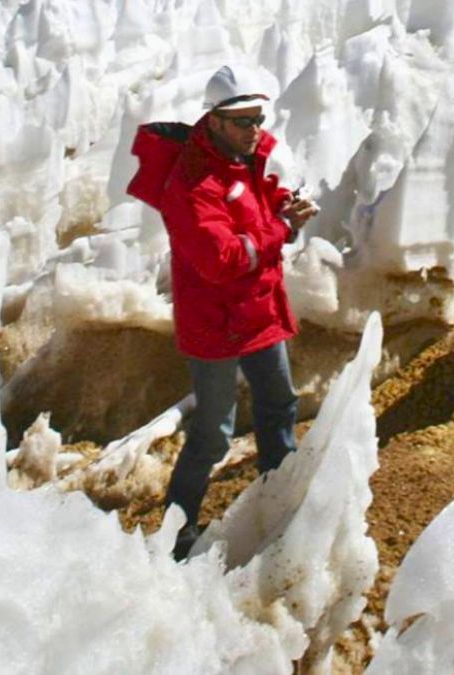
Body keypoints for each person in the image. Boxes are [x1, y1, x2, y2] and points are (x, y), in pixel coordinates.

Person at [126, 65, 318, 560]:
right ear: (213, 121)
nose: (255, 129)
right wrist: (279, 229)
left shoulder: (239, 161)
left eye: (258, 118)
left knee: (279, 404)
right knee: (213, 435)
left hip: (256, 314)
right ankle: (178, 530)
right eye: (242, 121)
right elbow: (221, 259)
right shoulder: (191, 184)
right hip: (216, 327)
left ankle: (277, 498)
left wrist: (281, 204)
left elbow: (251, 205)